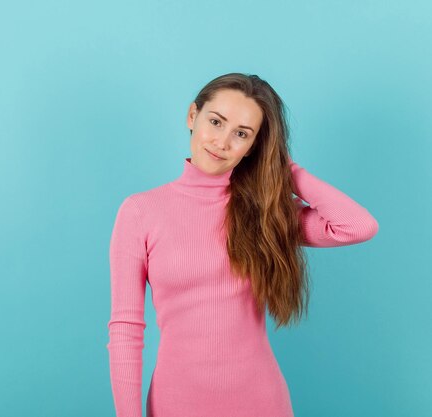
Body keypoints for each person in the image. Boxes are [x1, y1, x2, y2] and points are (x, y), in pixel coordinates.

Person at [106, 73, 379, 417]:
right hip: (176, 403)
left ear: (254, 146)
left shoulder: (266, 213)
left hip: (261, 402)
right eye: (216, 122)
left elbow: (358, 226)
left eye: (241, 134)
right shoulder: (140, 212)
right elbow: (125, 329)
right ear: (193, 116)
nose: (222, 142)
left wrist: (283, 168)